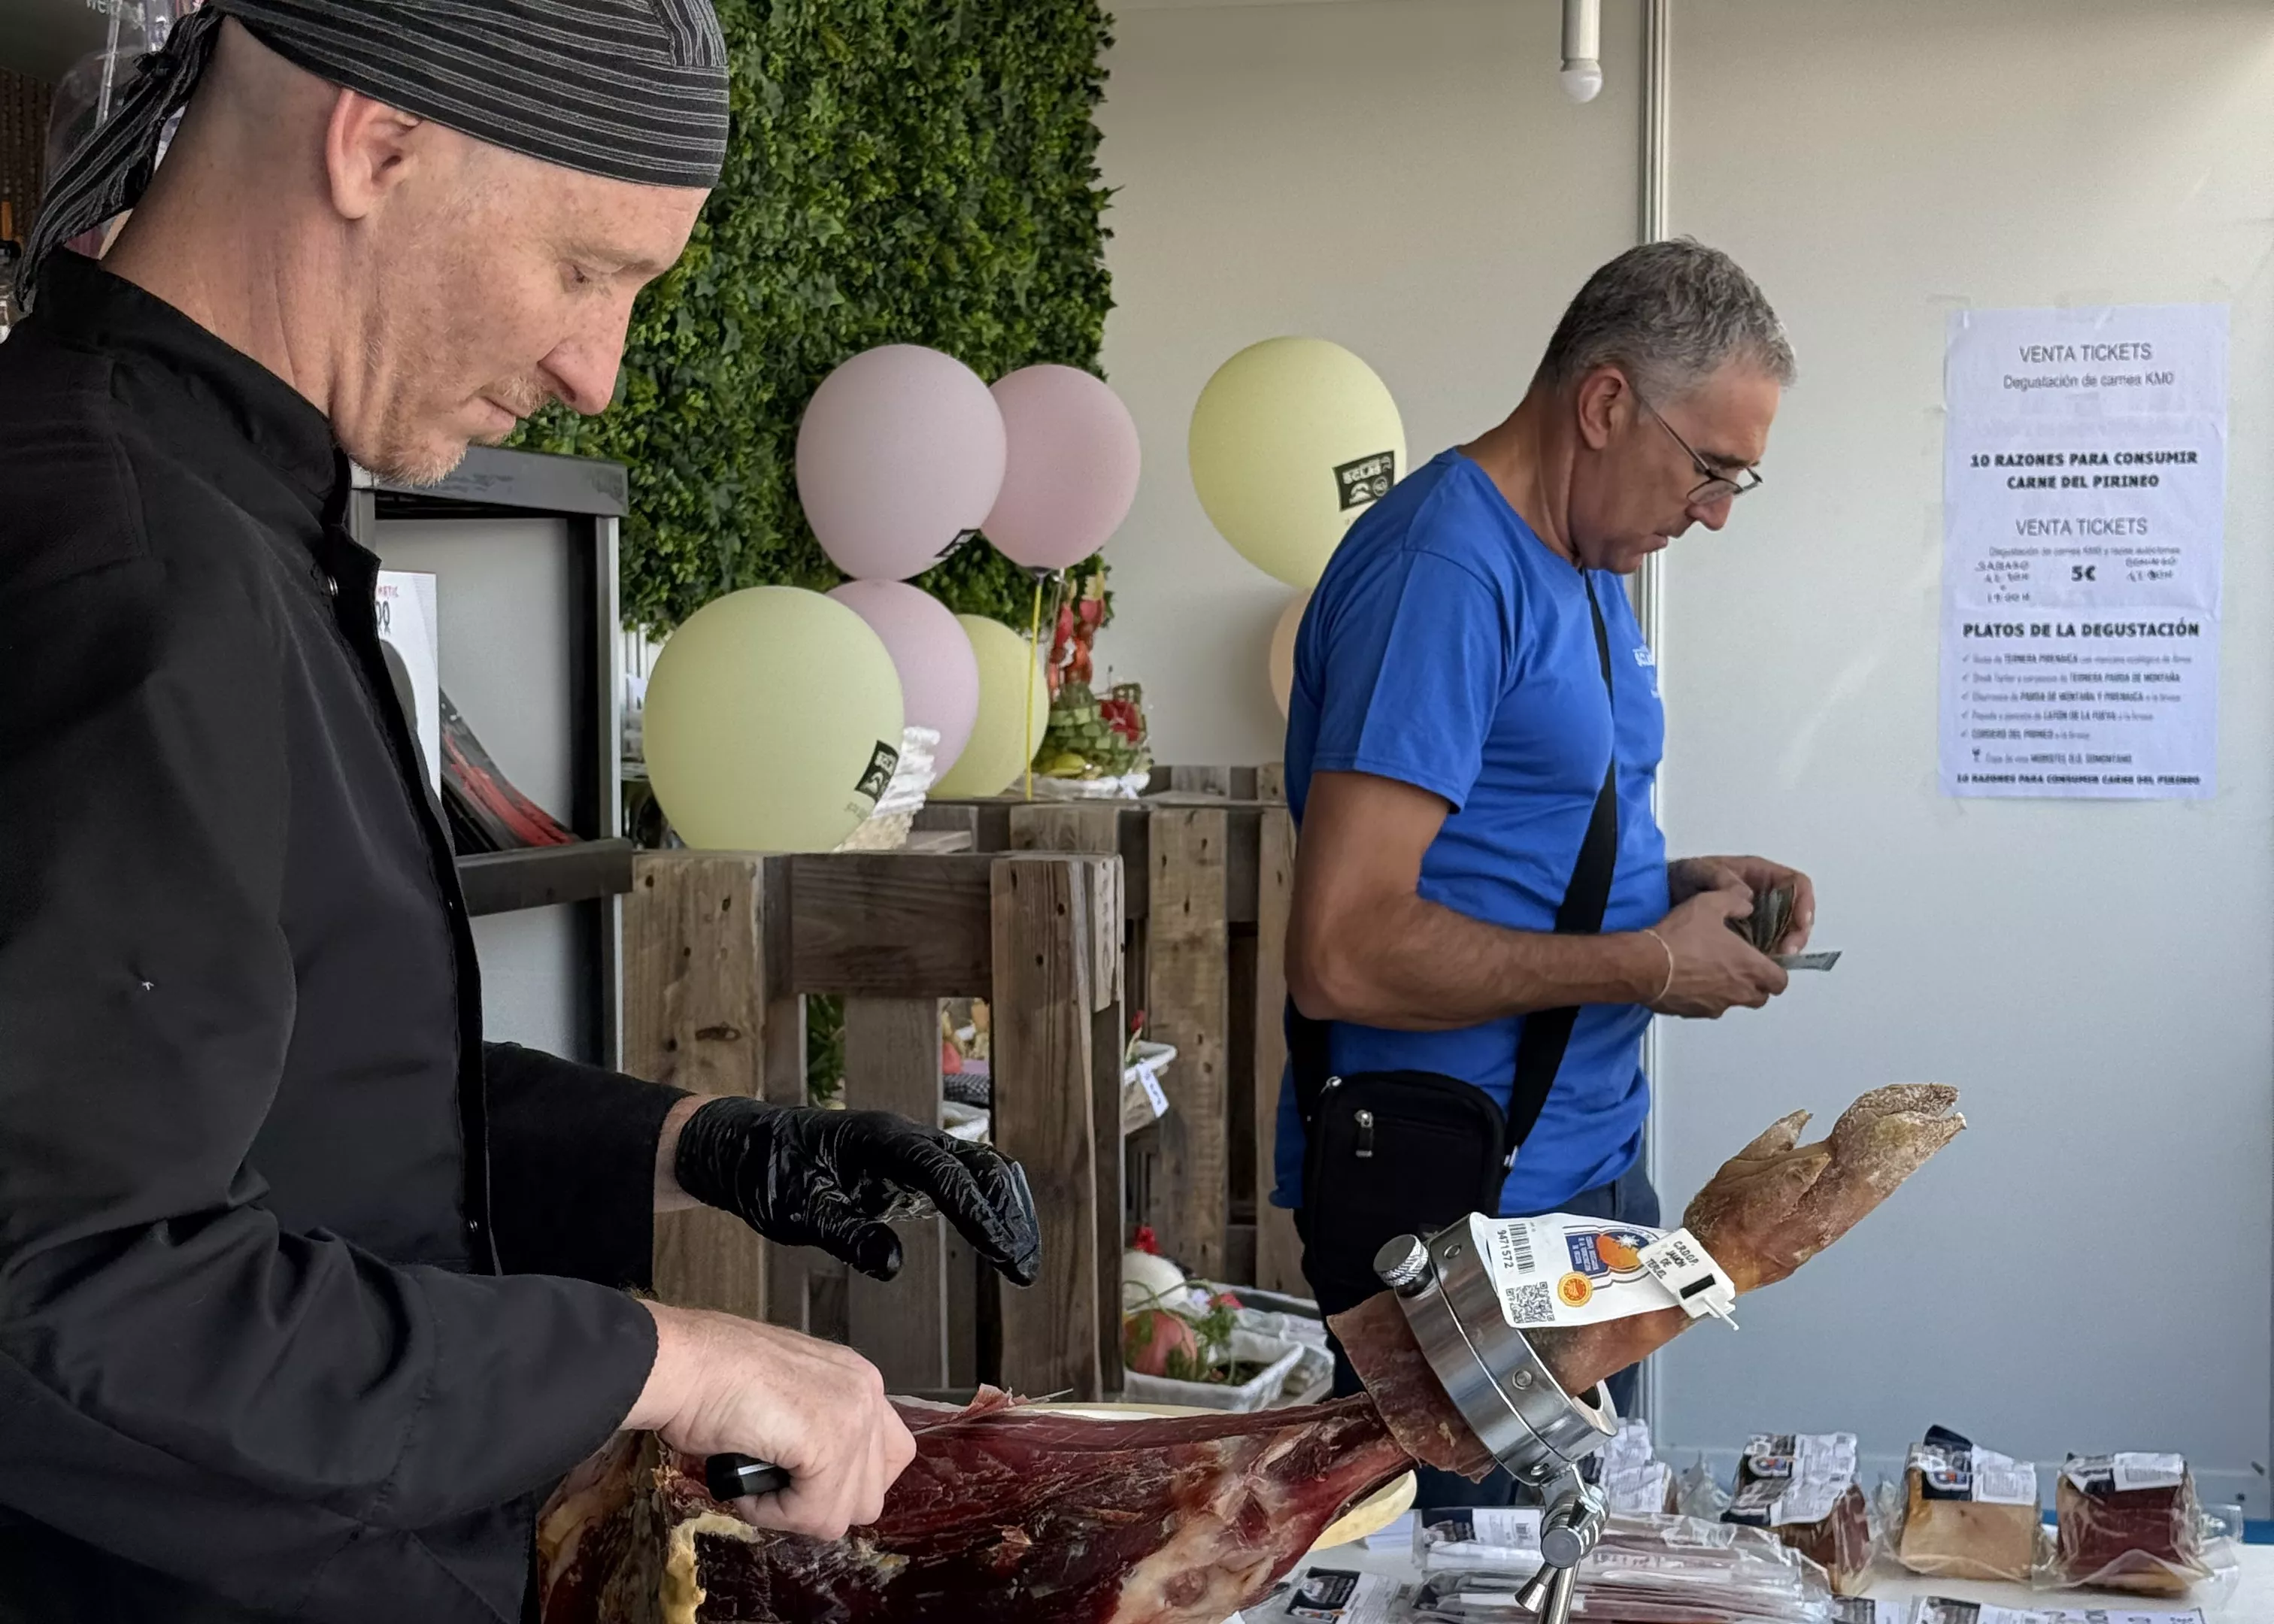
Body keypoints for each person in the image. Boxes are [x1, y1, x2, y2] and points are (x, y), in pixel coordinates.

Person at [0, 5, 1038, 1619]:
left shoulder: (240, 518)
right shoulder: (132, 565)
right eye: (585, 269)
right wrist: (664, 1361)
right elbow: (69, 1290)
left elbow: (305, 1096)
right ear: (375, 143)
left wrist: (703, 1148)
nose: (598, 372)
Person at [1275, 239, 1813, 1503]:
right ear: (1607, 404)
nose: (1719, 510)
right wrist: (1650, 960)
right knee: (1482, 1577)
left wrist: (1676, 883)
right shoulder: (1443, 576)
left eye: (1744, 479)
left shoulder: (1589, 563)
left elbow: (1504, 848)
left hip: (1582, 1179)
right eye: (1713, 467)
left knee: (1581, 1553)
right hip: (1464, 1220)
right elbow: (1343, 947)